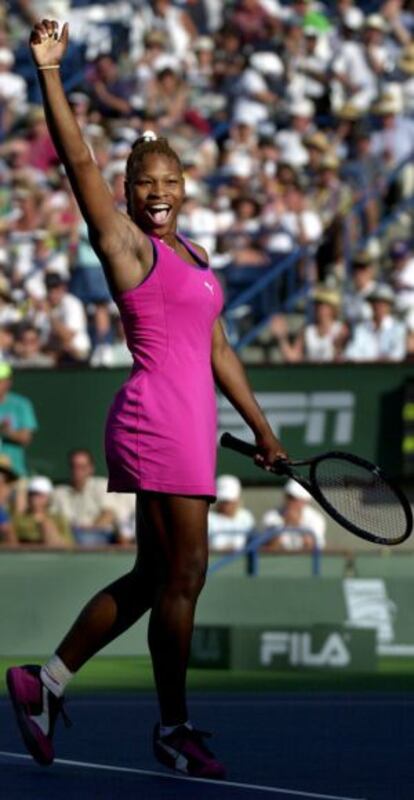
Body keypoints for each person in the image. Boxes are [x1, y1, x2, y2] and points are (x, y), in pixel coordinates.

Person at [6, 20, 287, 781]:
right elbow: (77, 160)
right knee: (185, 574)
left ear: (184, 188)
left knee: (152, 577)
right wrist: (52, 73)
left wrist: (262, 430)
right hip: (155, 419)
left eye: (167, 184)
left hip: (194, 421)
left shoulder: (195, 256)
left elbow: (220, 349)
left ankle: (45, 682)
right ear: (129, 194)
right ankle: (173, 727)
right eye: (144, 186)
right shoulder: (125, 244)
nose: (156, 195)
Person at [51, 448, 118, 546]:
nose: (77, 471)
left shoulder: (101, 485)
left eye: (82, 467)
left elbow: (108, 515)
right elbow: (53, 518)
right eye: (74, 466)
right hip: (69, 535)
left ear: (91, 468)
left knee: (80, 539)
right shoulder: (59, 492)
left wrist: (87, 530)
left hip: (98, 534)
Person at [261, 478, 326, 552]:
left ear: (305, 501)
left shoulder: (316, 518)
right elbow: (270, 547)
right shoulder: (271, 516)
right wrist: (284, 524)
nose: (291, 502)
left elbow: (313, 547)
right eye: (289, 497)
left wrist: (297, 524)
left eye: (295, 499)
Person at [13, 475, 73, 548]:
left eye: (40, 495)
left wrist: (46, 526)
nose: (35, 499)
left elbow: (69, 545)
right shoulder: (18, 520)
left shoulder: (58, 519)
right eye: (33, 494)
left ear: (48, 497)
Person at [0, 361, 38, 477]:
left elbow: (26, 438)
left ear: (8, 382)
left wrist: (5, 431)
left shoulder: (21, 404)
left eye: (1, 381)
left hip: (14, 472)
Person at [208, 474, 255, 552]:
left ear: (237, 499)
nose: (227, 505)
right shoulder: (208, 518)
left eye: (230, 501)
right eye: (223, 501)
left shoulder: (246, 517)